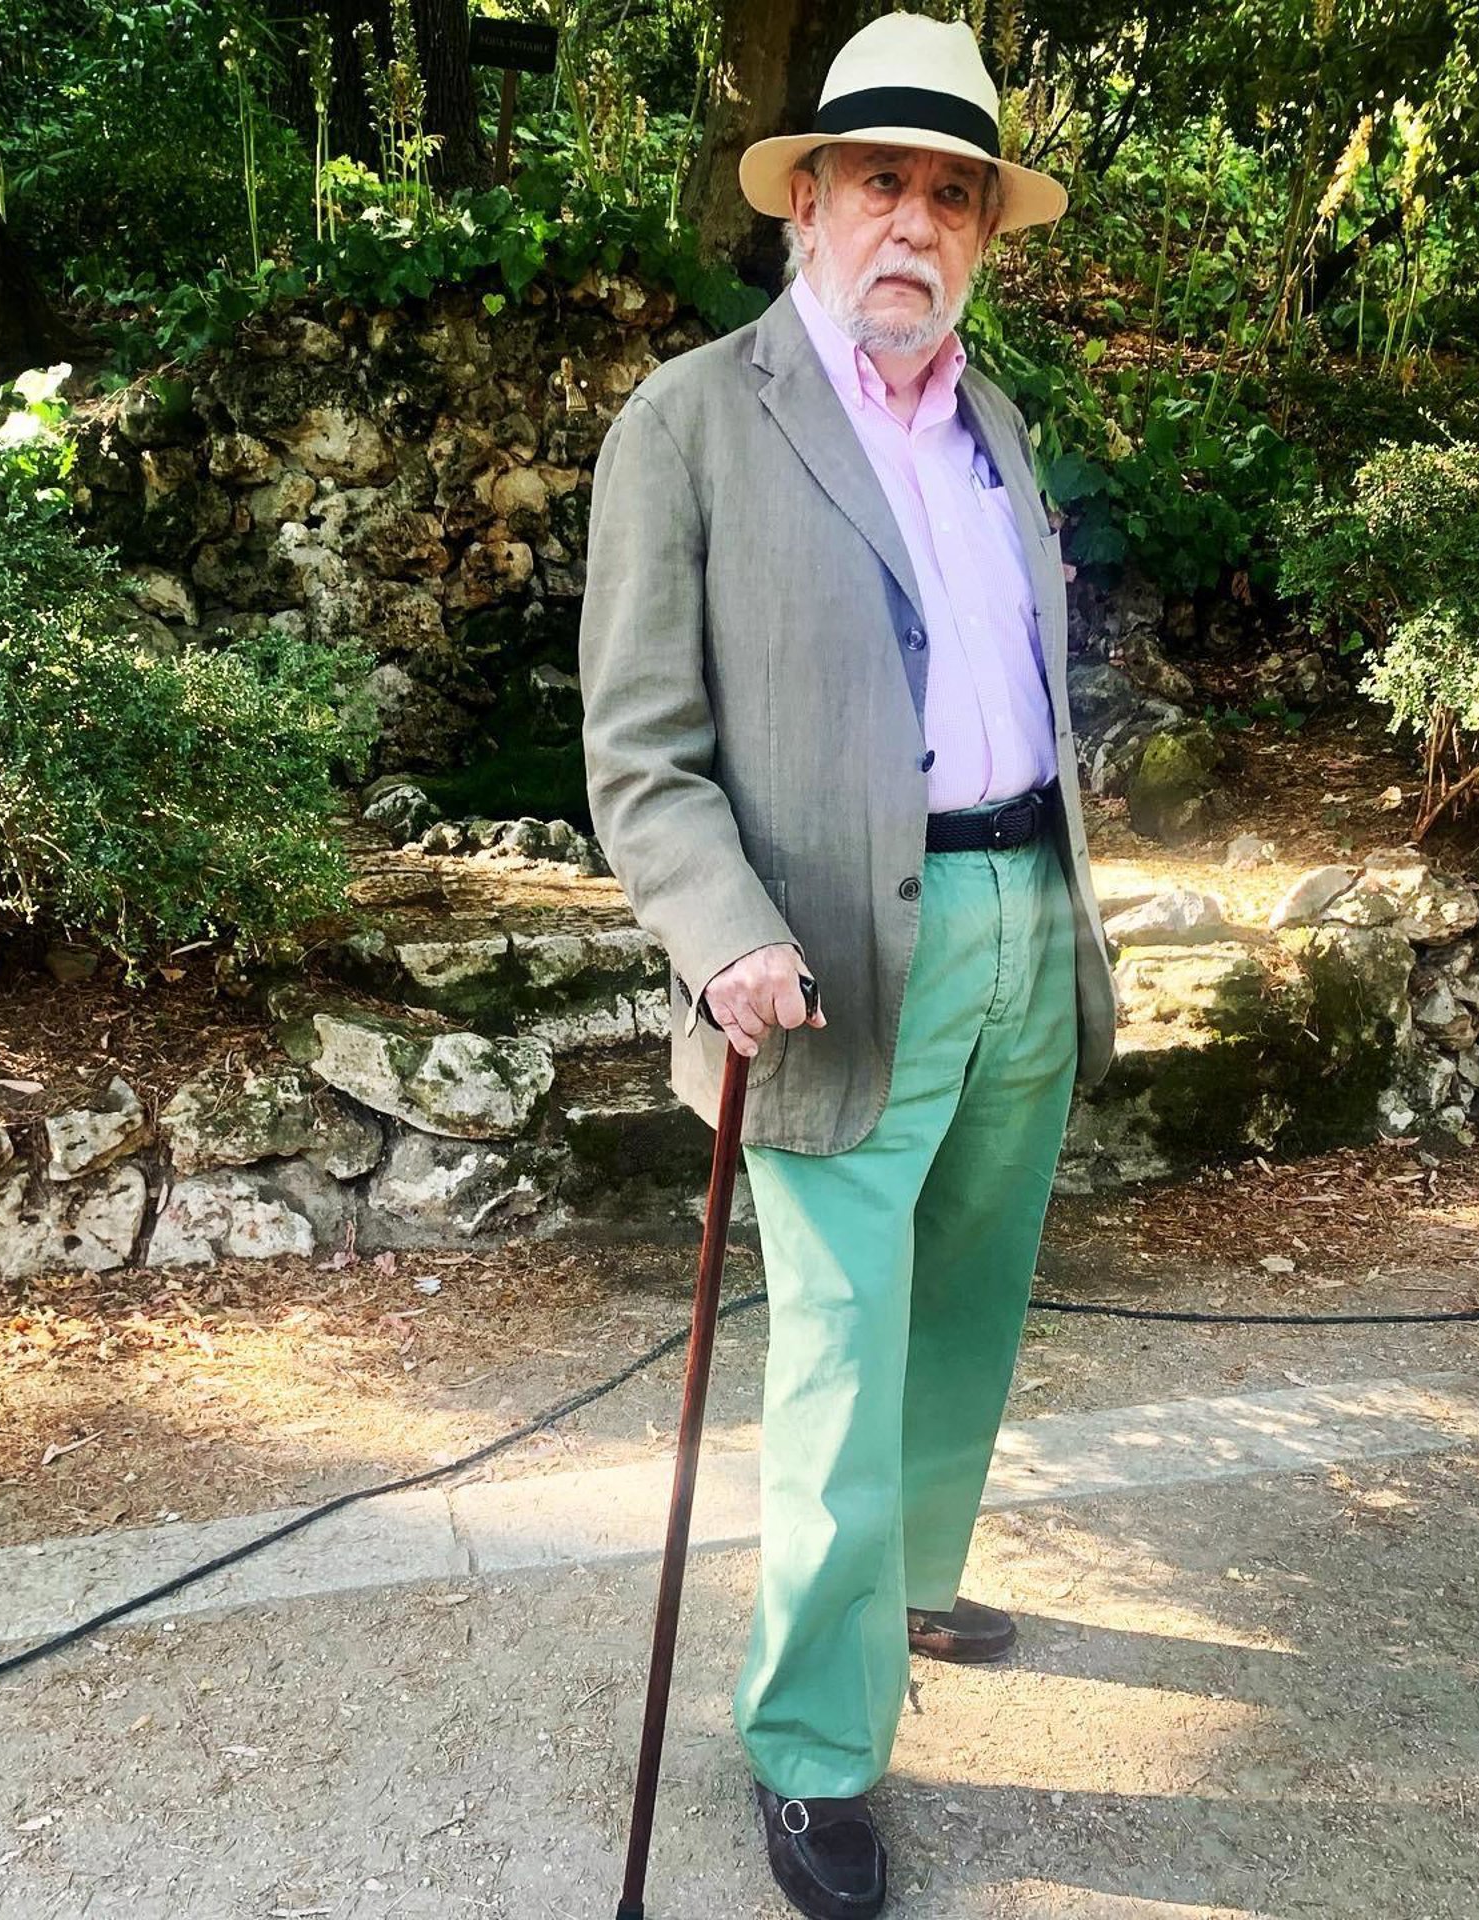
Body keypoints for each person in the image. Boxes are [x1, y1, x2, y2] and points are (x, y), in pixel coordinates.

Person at [578, 12, 1117, 1914]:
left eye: (954, 195)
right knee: (839, 1351)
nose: (917, 221)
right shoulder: (690, 421)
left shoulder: (993, 421)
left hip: (1022, 920)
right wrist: (719, 926)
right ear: (806, 202)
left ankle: (919, 1584)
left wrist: (1067, 895)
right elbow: (641, 748)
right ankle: (813, 1744)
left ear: (981, 233)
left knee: (970, 1298)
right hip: (827, 967)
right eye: (882, 181)